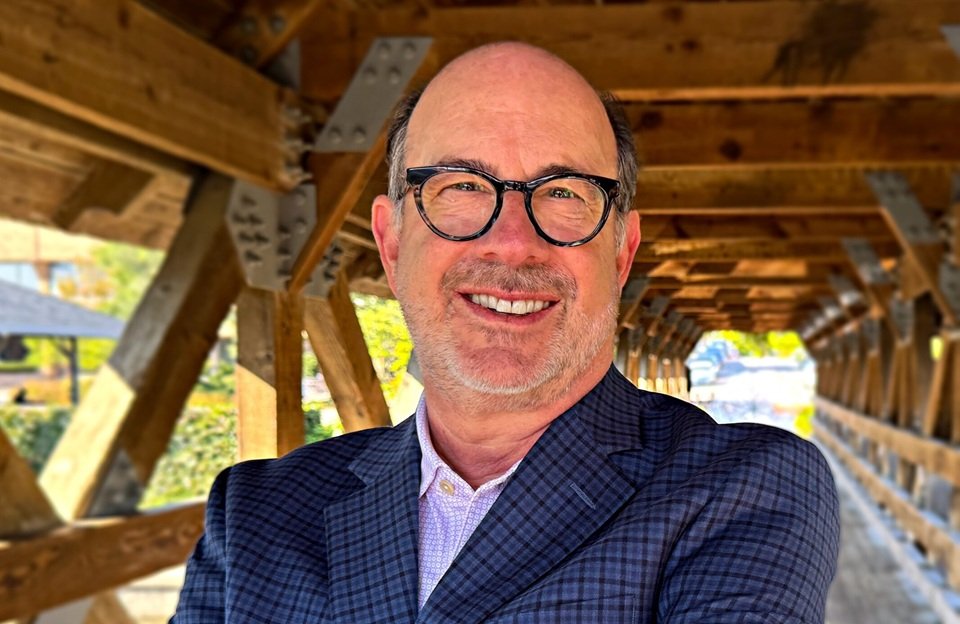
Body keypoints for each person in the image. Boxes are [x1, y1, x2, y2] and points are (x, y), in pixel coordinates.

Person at [173, 42, 839, 623]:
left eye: (565, 192)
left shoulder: (741, 487)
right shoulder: (256, 512)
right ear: (391, 242)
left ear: (621, 253)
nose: (513, 242)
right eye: (461, 186)